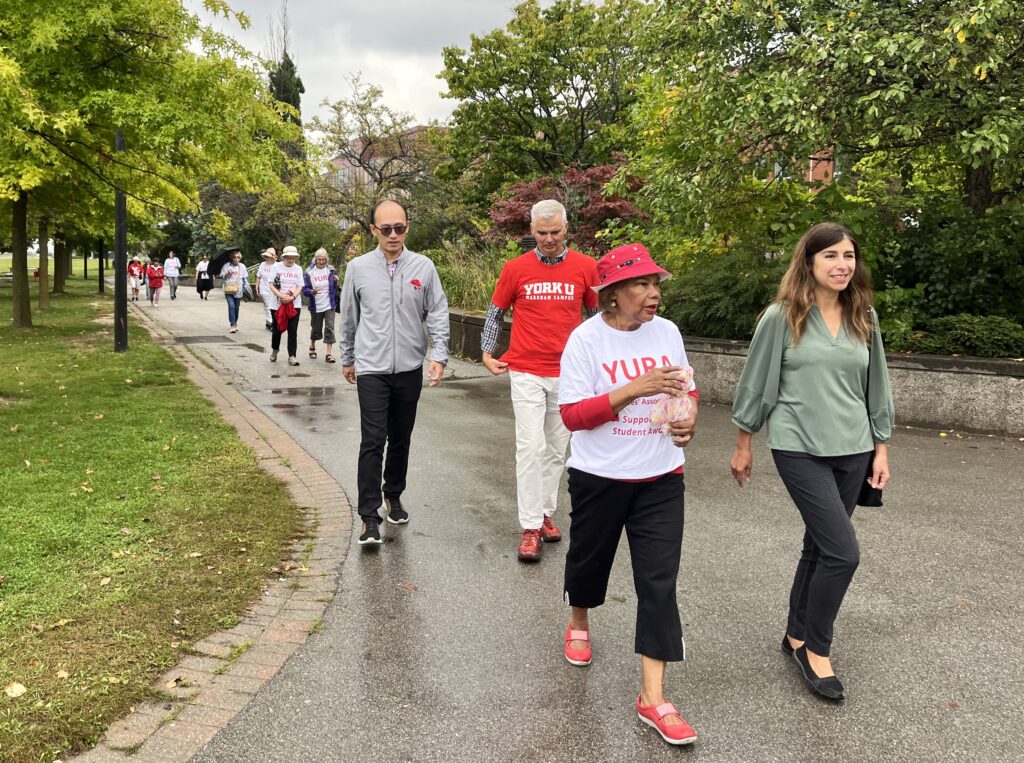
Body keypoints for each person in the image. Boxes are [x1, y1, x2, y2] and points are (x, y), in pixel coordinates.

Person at [730, 222, 895, 701]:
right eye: (830, 257)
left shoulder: (864, 314)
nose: (842, 265)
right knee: (844, 553)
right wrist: (744, 441)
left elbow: (876, 384)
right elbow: (756, 383)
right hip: (798, 446)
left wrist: (880, 447)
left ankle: (795, 633)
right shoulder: (781, 317)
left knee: (819, 548)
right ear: (808, 262)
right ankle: (816, 650)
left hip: (855, 448)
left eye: (848, 256)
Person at [558, 243, 699, 746]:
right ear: (613, 294)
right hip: (600, 474)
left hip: (661, 476)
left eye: (656, 284)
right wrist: (632, 389)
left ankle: (654, 698)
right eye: (641, 284)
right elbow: (572, 415)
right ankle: (579, 618)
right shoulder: (585, 341)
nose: (653, 293)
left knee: (659, 582)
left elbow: (687, 390)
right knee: (589, 561)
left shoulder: (669, 333)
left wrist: (689, 419)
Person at [481, 199, 600, 562]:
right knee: (529, 447)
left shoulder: (587, 267)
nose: (549, 239)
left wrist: (599, 367)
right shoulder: (516, 269)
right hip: (526, 371)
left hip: (569, 374)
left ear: (567, 229)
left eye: (555, 232)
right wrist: (487, 352)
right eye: (542, 233)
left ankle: (546, 512)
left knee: (555, 449)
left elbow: (596, 318)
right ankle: (530, 526)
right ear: (531, 231)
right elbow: (495, 311)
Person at [339, 199, 449, 547]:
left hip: (408, 368)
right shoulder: (358, 268)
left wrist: (439, 355)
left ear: (407, 228)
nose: (393, 235)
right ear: (374, 230)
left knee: (401, 437)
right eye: (385, 229)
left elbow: (438, 312)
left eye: (399, 228)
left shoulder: (423, 266)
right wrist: (347, 357)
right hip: (371, 367)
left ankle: (393, 495)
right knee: (373, 440)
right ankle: (368, 517)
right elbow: (349, 316)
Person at [268, 246, 304, 365]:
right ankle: (275, 349)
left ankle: (292, 356)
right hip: (277, 304)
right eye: (289, 258)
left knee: (292, 330)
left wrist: (292, 297)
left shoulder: (298, 269)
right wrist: (281, 296)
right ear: (284, 257)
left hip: (294, 304)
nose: (291, 260)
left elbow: (300, 286)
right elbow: (271, 284)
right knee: (277, 330)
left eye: (293, 258)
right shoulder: (276, 267)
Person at [303, 247, 340, 363]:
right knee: (316, 328)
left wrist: (336, 280)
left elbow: (334, 287)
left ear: (326, 260)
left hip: (330, 304)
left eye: (324, 260)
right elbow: (305, 290)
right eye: (319, 260)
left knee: (330, 327)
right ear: (315, 260)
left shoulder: (331, 270)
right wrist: (311, 292)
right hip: (316, 305)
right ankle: (312, 346)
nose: (321, 262)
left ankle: (329, 354)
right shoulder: (309, 273)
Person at [218, 248, 247, 333]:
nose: (236, 259)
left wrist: (247, 289)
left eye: (238, 257)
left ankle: (235, 322)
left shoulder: (242, 266)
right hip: (228, 289)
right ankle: (232, 324)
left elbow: (245, 278)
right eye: (235, 257)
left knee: (236, 308)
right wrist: (227, 273)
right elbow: (222, 276)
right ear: (232, 258)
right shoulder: (226, 266)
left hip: (238, 290)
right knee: (231, 306)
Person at [256, 247, 278, 331]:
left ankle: (268, 322)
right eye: (267, 256)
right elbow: (258, 277)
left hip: (274, 290)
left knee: (270, 306)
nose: (268, 258)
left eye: (270, 256)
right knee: (268, 305)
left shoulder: (277, 265)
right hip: (264, 288)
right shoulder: (262, 265)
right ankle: (272, 323)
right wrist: (257, 287)